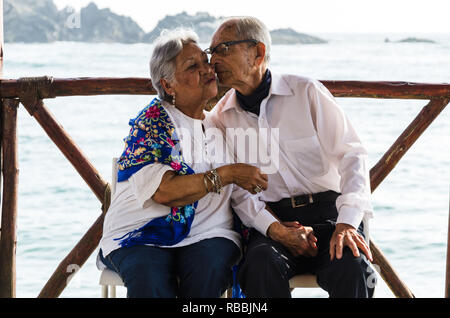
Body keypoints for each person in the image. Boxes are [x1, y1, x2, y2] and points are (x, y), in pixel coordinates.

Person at [207, 16, 376, 298]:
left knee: (355, 267)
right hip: (276, 220)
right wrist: (274, 229)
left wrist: (347, 222)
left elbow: (352, 154)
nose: (213, 61)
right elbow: (236, 191)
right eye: (211, 52)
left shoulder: (306, 92)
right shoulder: (220, 119)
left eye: (223, 49)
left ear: (258, 53)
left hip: (331, 214)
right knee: (260, 266)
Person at [96, 28, 271, 298]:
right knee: (148, 275)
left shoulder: (220, 121)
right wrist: (227, 174)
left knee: (209, 268)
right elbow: (164, 192)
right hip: (141, 232)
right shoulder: (153, 121)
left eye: (205, 60)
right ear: (168, 85)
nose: (207, 69)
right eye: (192, 66)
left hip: (210, 232)